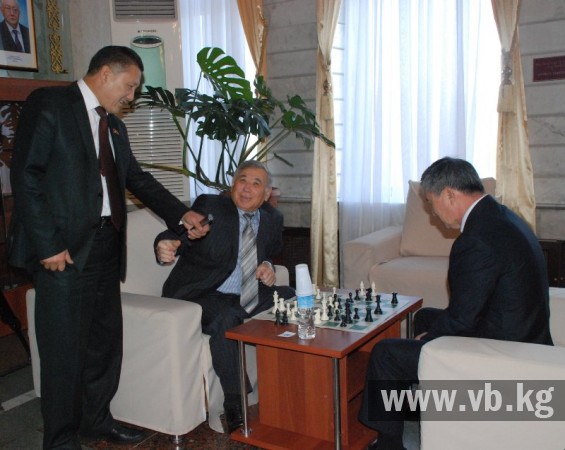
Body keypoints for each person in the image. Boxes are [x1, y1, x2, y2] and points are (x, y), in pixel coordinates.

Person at [8, 46, 206, 450]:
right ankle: (60, 440)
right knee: (63, 352)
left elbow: (137, 178)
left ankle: (96, 422)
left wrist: (181, 214)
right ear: (105, 73)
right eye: (130, 86)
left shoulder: (113, 126)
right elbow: (26, 176)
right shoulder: (51, 104)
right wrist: (48, 244)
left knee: (104, 345)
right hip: (63, 252)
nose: (131, 96)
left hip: (105, 247)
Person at [358, 157, 553, 450]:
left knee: (386, 353)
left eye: (431, 202)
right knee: (424, 316)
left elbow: (462, 320)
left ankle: (389, 444)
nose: (433, 214)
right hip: (525, 333)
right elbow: (472, 306)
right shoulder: (502, 217)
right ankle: (415, 405)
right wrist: (433, 332)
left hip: (505, 350)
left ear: (449, 194)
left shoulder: (475, 239)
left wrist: (431, 339)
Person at [155, 160, 294, 434]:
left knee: (289, 297)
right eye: (242, 180)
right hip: (202, 294)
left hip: (245, 294)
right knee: (226, 317)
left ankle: (288, 380)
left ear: (267, 193)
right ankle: (234, 400)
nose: (247, 188)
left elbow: (270, 250)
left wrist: (267, 265)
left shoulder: (273, 218)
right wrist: (165, 243)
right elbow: (179, 232)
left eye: (256, 183)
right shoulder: (212, 207)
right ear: (233, 184)